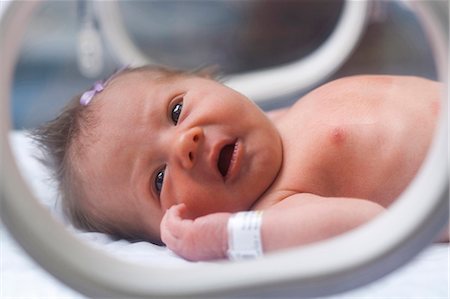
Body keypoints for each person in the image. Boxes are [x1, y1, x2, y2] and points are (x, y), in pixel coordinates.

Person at [32, 65, 445, 261]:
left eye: (176, 111)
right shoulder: (279, 204)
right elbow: (374, 226)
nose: (185, 144)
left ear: (209, 79)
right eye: (159, 180)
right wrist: (227, 237)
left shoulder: (279, 120)